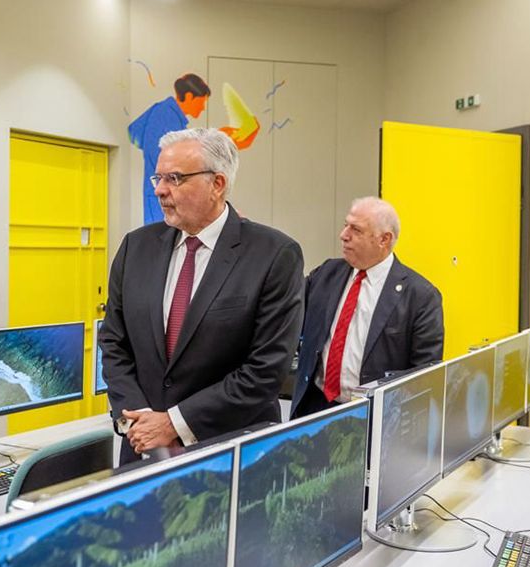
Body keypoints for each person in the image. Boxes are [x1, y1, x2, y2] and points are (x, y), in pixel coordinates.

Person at [100, 128, 304, 464]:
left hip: (230, 453)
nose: (160, 190)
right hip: (143, 448)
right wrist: (139, 418)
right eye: (158, 178)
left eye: (175, 178)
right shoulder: (136, 248)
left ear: (217, 184)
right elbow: (113, 342)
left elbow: (265, 370)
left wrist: (174, 423)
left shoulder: (273, 255)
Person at [290, 197, 444, 419]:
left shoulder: (420, 296)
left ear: (384, 239)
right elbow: (289, 316)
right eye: (346, 225)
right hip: (315, 406)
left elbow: (424, 376)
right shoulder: (326, 274)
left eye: (356, 230)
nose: (344, 235)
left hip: (374, 416)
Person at [128, 74, 211, 225]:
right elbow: (168, 162)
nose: (203, 107)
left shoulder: (166, 113)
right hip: (163, 197)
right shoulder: (165, 116)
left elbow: (135, 132)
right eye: (201, 102)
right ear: (189, 97)